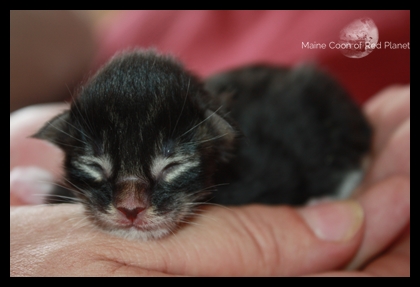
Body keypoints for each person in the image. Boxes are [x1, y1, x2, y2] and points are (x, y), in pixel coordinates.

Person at [10, 11, 410, 276]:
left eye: (170, 169)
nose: (130, 205)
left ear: (216, 146)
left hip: (311, 121)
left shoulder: (252, 175)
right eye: (96, 171)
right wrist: (59, 196)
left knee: (317, 91)